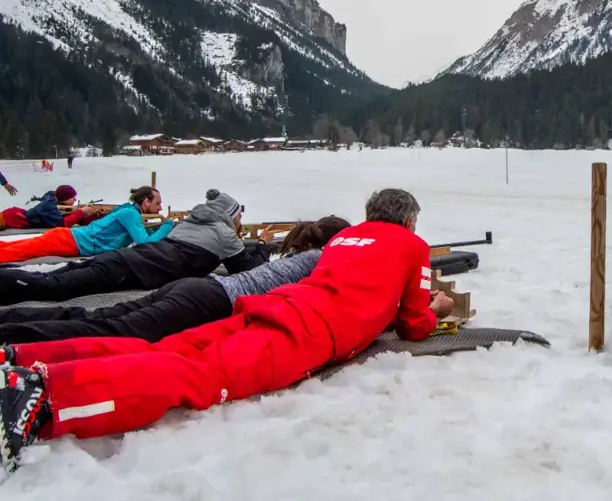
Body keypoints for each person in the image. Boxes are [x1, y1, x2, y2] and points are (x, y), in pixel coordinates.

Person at [0, 188, 455, 473]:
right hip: (307, 333)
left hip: (271, 305)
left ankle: (25, 357)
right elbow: (415, 325)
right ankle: (44, 397)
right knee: (197, 376)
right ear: (410, 221)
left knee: (162, 346)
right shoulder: (411, 246)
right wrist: (436, 308)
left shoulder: (342, 239)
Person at [0, 216, 351, 344]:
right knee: (110, 331)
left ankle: (10, 320)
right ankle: (10, 332)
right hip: (205, 300)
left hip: (193, 289)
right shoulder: (318, 261)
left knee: (97, 318)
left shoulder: (292, 254)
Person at [0, 189, 273, 305]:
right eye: (239, 215)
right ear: (231, 215)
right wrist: (262, 245)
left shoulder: (190, 223)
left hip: (125, 259)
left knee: (54, 277)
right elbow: (246, 270)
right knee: (52, 287)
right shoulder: (224, 232)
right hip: (130, 268)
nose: (240, 220)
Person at [0, 187, 171, 265]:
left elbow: (141, 234)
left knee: (16, 247)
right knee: (18, 252)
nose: (160, 207)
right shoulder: (131, 214)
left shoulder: (132, 213)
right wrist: (166, 226)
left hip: (70, 239)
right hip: (69, 241)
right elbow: (144, 244)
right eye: (158, 203)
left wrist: (156, 227)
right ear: (146, 202)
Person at [0, 186, 105, 232]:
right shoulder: (49, 206)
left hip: (13, 214)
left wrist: (89, 216)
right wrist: (81, 212)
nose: (75, 200)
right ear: (64, 198)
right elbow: (61, 223)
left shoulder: (54, 198)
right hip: (10, 218)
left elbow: (67, 215)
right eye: (72, 197)